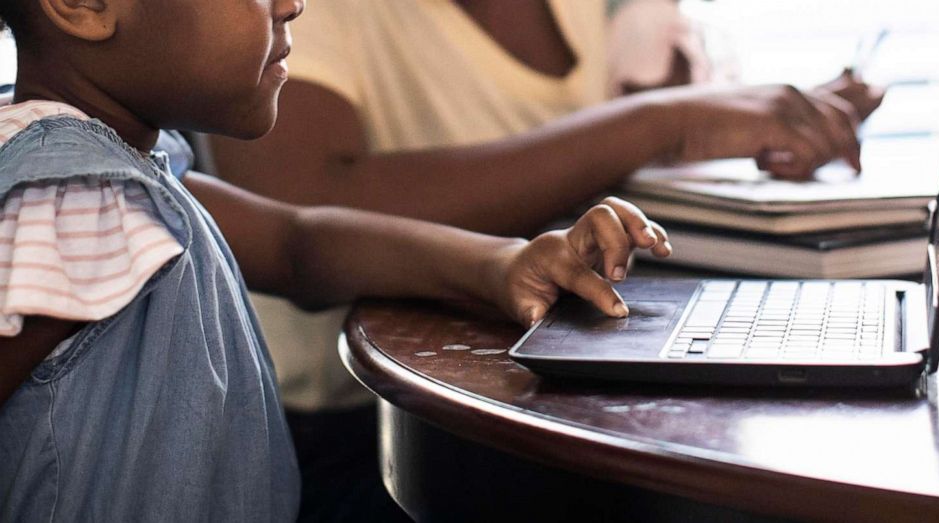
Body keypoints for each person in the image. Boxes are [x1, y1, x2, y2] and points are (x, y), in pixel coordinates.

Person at [0, 0, 683, 519]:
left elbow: (302, 244)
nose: (293, 3)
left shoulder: (129, 179)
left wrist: (503, 266)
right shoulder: (65, 202)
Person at [206, 1, 885, 518]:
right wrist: (659, 123)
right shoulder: (300, 15)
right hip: (367, 433)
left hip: (550, 398)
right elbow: (293, 204)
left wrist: (747, 126)